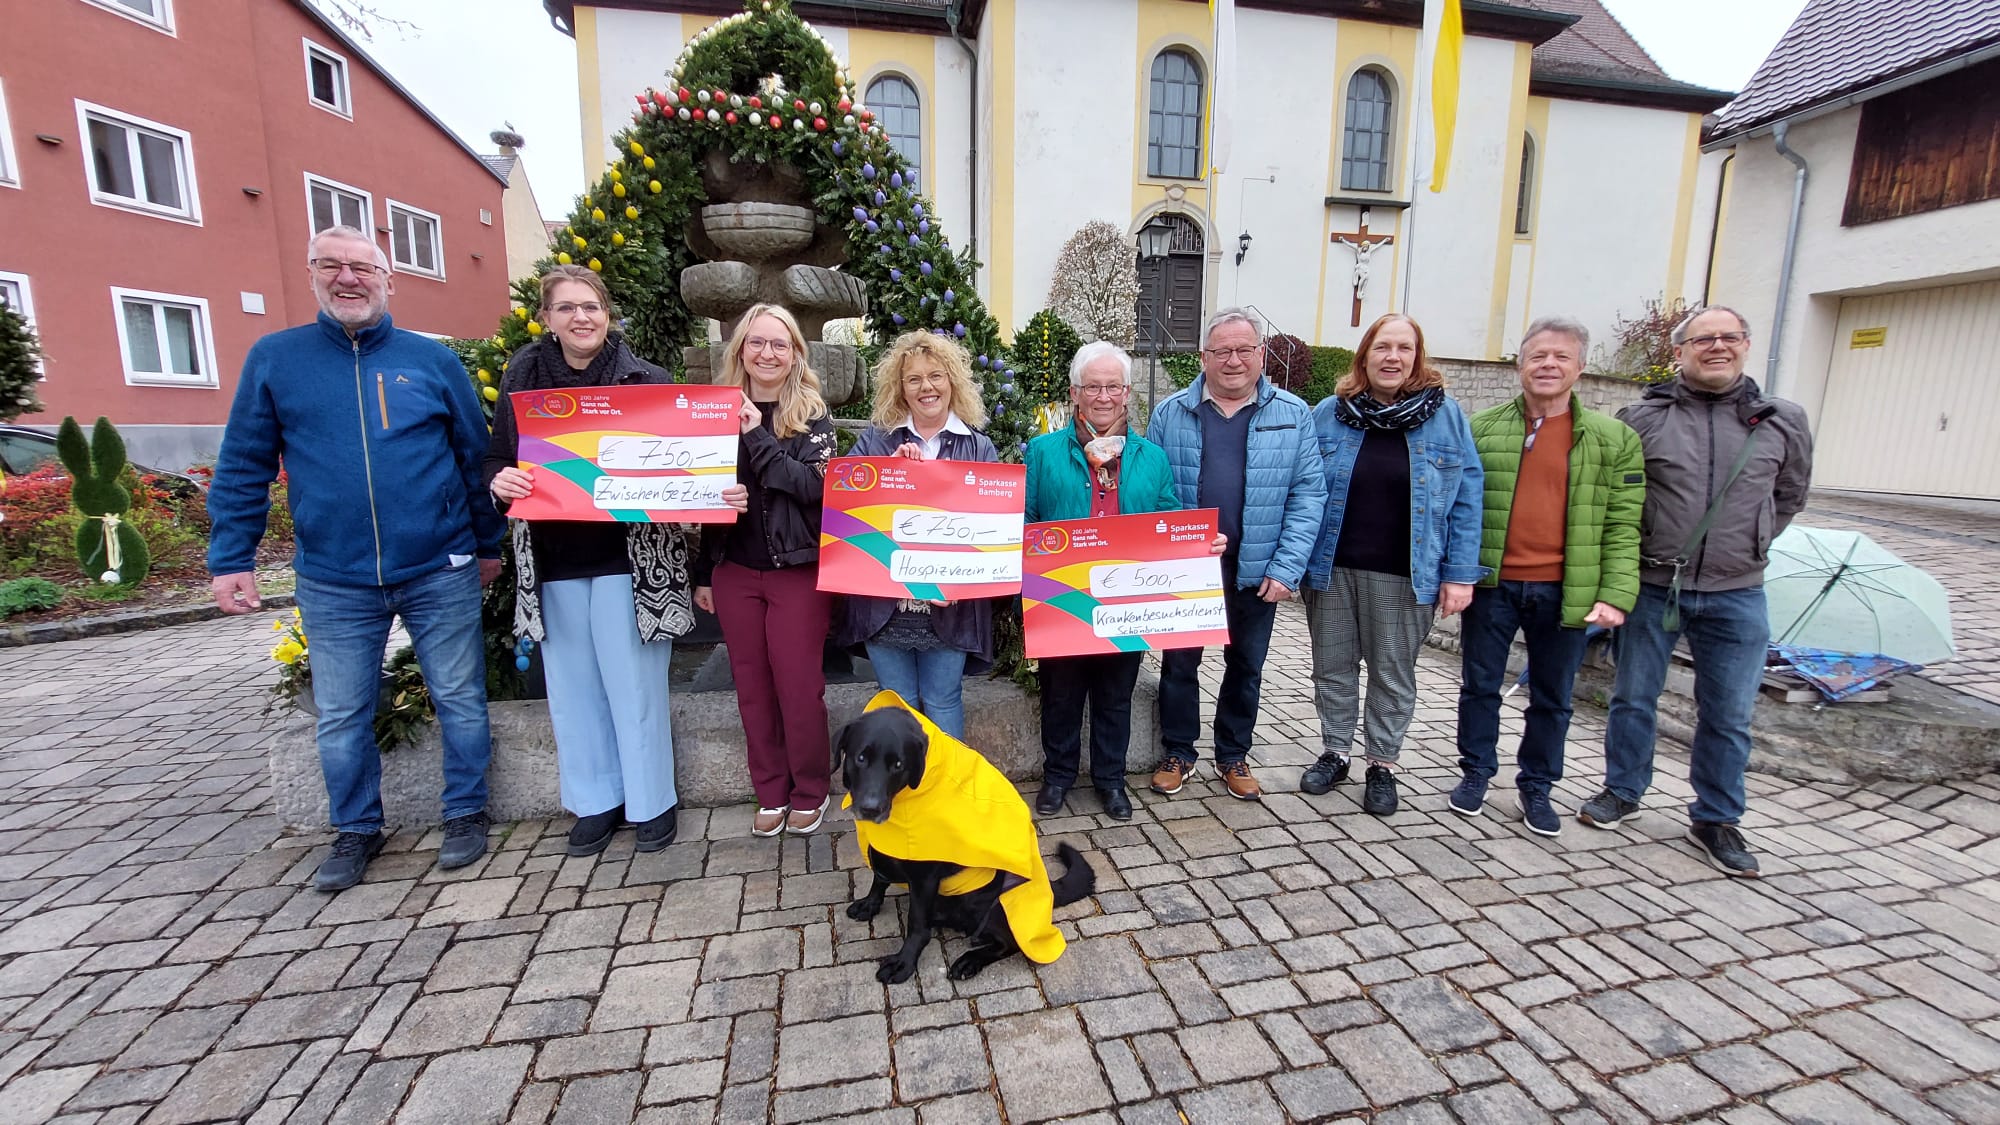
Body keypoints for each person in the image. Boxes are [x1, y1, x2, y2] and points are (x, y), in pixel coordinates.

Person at [208, 225, 503, 892]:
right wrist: (232, 556)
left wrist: (486, 542)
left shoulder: (432, 361)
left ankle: (466, 813)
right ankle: (356, 828)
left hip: (439, 564)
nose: (349, 278)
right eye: (333, 265)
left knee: (459, 697)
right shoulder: (276, 359)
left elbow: (473, 455)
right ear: (312, 273)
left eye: (363, 268)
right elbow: (245, 464)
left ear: (388, 280)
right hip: (335, 577)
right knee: (341, 712)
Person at [1580, 306, 1812, 877]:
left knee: (1729, 712)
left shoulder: (1780, 420)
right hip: (1656, 585)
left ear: (1746, 345)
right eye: (1703, 339)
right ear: (1680, 351)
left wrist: (1749, 544)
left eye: (1728, 337)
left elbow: (1789, 496)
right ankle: (1624, 790)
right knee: (1634, 698)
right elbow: (1619, 500)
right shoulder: (1645, 418)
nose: (1716, 347)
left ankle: (1716, 818)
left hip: (1738, 591)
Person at [484, 266, 705, 857]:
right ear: (547, 318)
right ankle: (596, 802)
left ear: (608, 314)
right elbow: (498, 457)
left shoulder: (647, 379)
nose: (581, 317)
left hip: (631, 563)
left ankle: (651, 802)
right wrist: (498, 480)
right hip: (553, 559)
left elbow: (677, 463)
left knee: (636, 687)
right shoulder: (523, 377)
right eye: (566, 308)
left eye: (591, 306)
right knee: (572, 691)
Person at [1454, 317, 1643, 836]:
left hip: (1568, 590)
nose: (1548, 365)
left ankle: (1537, 786)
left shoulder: (1614, 439)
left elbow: (1626, 525)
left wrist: (1615, 595)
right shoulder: (1484, 428)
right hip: (1493, 584)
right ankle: (1476, 773)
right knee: (1479, 687)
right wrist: (1457, 574)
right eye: (1538, 355)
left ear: (1580, 368)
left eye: (1561, 357)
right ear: (1520, 364)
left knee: (1553, 697)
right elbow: (1459, 509)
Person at [1299, 313, 1483, 816]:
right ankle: (1336, 751)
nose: (1393, 357)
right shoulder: (1330, 414)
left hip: (1407, 575)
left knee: (1392, 675)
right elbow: (1303, 489)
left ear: (1417, 357)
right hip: (1332, 569)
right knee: (1332, 669)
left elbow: (1467, 498)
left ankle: (1382, 764)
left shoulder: (1445, 418)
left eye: (1404, 348)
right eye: (1383, 347)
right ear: (1365, 355)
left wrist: (1460, 574)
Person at [1146, 308, 1325, 801]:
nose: (1233, 360)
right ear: (1203, 357)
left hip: (1258, 570)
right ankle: (1179, 751)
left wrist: (1288, 568)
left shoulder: (1293, 414)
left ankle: (1233, 755)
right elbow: (1152, 486)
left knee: (1245, 666)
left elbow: (1310, 495)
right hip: (1188, 570)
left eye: (1244, 349)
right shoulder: (1171, 413)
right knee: (1179, 666)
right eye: (1221, 350)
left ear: (1261, 355)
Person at [1024, 341, 1197, 820]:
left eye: (1113, 386)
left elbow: (1167, 521)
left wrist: (1199, 546)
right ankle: (1058, 777)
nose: (1103, 396)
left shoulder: (1153, 458)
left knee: (1116, 695)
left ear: (1126, 393)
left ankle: (1110, 779)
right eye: (1093, 386)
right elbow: (1027, 520)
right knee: (1060, 694)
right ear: (1076, 394)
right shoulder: (1041, 452)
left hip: (1127, 600)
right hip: (1062, 596)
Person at [692, 304, 839, 838]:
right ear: (740, 351)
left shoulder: (814, 418)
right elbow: (703, 498)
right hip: (736, 571)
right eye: (756, 343)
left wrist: (757, 436)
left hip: (796, 572)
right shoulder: (714, 412)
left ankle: (810, 789)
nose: (767, 353)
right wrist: (705, 571)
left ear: (796, 353)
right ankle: (771, 790)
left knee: (799, 687)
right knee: (752, 688)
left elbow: (813, 488)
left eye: (779, 344)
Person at [838, 331, 998, 738]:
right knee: (896, 703)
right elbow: (845, 506)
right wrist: (886, 473)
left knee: (944, 700)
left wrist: (965, 581)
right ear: (901, 388)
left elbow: (992, 530)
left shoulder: (980, 448)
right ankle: (904, 798)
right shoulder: (876, 441)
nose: (926, 387)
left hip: (950, 607)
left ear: (952, 382)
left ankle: (944, 796)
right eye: (914, 379)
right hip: (885, 606)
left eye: (936, 376)